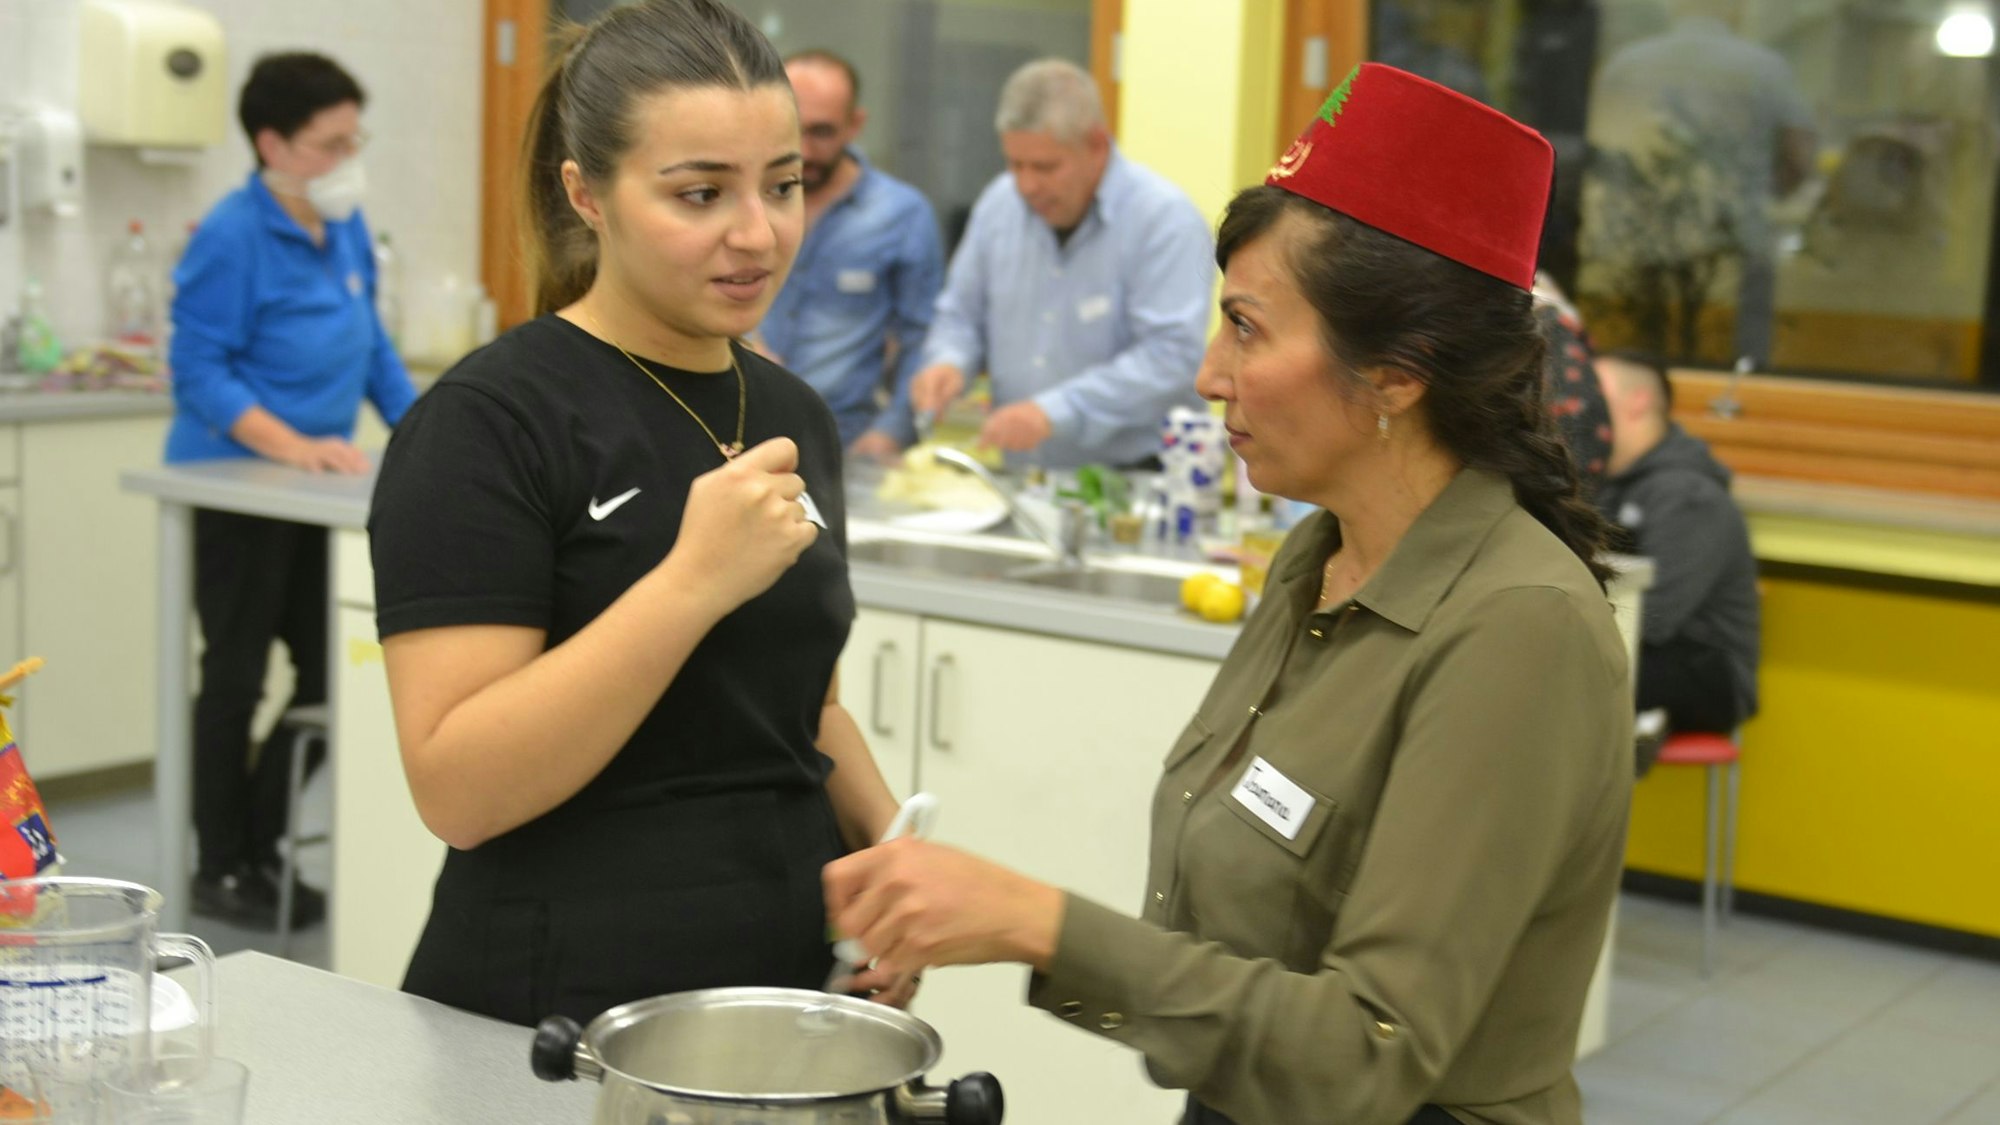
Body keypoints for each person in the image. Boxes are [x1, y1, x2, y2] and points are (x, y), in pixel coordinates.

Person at [826, 65, 1633, 1125]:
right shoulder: (1318, 560)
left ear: (1395, 373)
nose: (1208, 376)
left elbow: (1364, 1054)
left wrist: (1036, 921)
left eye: (1246, 329)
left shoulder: (1515, 629)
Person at [366, 0, 905, 1027]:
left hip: (783, 984)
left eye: (784, 186)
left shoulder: (790, 412)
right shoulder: (489, 423)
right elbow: (459, 789)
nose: (756, 233)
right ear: (587, 194)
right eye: (699, 193)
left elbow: (803, 705)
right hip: (559, 1008)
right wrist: (690, 585)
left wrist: (888, 849)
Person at [168, 52, 415, 929]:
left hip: (316, 495)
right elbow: (198, 365)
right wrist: (293, 443)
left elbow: (372, 346)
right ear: (272, 143)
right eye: (329, 142)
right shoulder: (231, 234)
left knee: (329, 670)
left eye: (356, 137)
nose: (350, 156)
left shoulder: (341, 222)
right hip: (237, 485)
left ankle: (260, 844)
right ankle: (220, 862)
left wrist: (427, 433)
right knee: (233, 677)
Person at [907, 58, 1210, 469]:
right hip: (1024, 474)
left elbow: (1171, 357)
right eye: (1016, 165)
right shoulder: (1000, 205)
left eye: (1046, 167)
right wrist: (948, 360)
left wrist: (1054, 411)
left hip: (1136, 478)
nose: (1028, 185)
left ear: (1097, 146)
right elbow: (961, 315)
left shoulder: (1164, 220)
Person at [1586, 0, 1815, 366]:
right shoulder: (1764, 68)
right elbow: (1799, 159)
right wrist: (1755, 196)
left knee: (1635, 359)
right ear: (1736, 9)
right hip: (1732, 250)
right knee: (1735, 367)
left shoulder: (1625, 64)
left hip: (1635, 253)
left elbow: (1603, 160)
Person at [755, 50, 943, 461]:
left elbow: (922, 339)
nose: (803, 149)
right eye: (793, 128)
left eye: (821, 133)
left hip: (842, 446)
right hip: (738, 433)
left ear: (855, 124)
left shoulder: (902, 215)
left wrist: (892, 433)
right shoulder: (741, 202)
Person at [1593, 350, 1760, 740]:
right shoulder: (1607, 482)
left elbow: (1656, 617)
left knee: (1560, 669)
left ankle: (1630, 743)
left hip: (1705, 669)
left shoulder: (1688, 494)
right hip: (1638, 648)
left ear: (1638, 402)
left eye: (1592, 390)